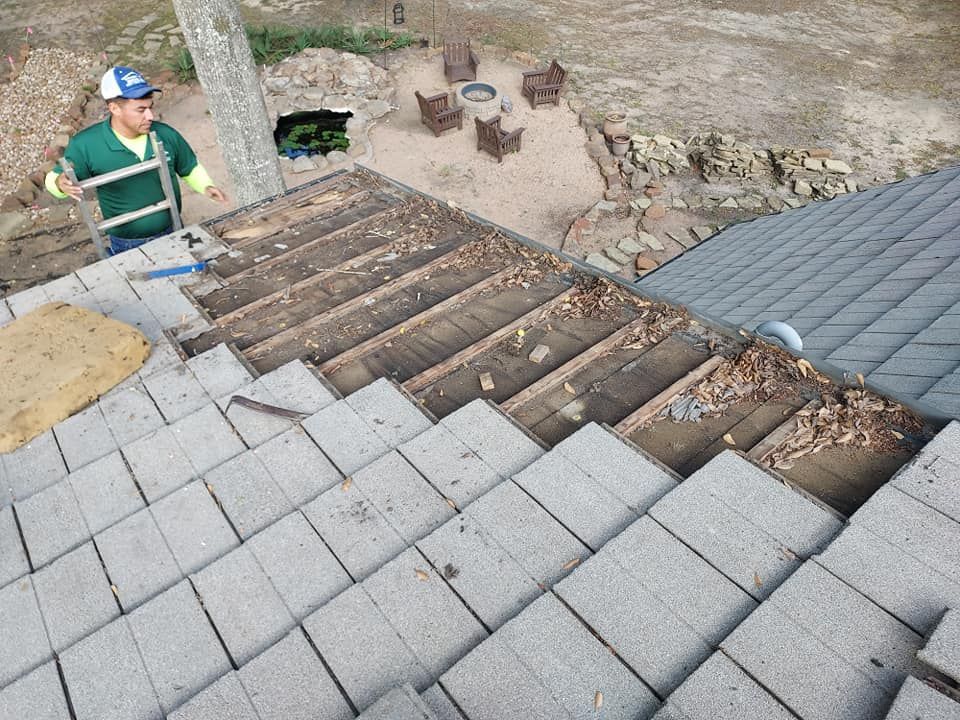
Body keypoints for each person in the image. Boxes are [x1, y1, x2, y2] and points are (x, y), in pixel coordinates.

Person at [45, 66, 228, 254]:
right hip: (127, 244)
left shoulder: (165, 134)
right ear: (114, 108)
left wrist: (206, 186)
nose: (150, 116)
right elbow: (54, 179)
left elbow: (188, 166)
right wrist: (59, 184)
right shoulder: (87, 145)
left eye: (150, 107)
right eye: (141, 110)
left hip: (173, 228)